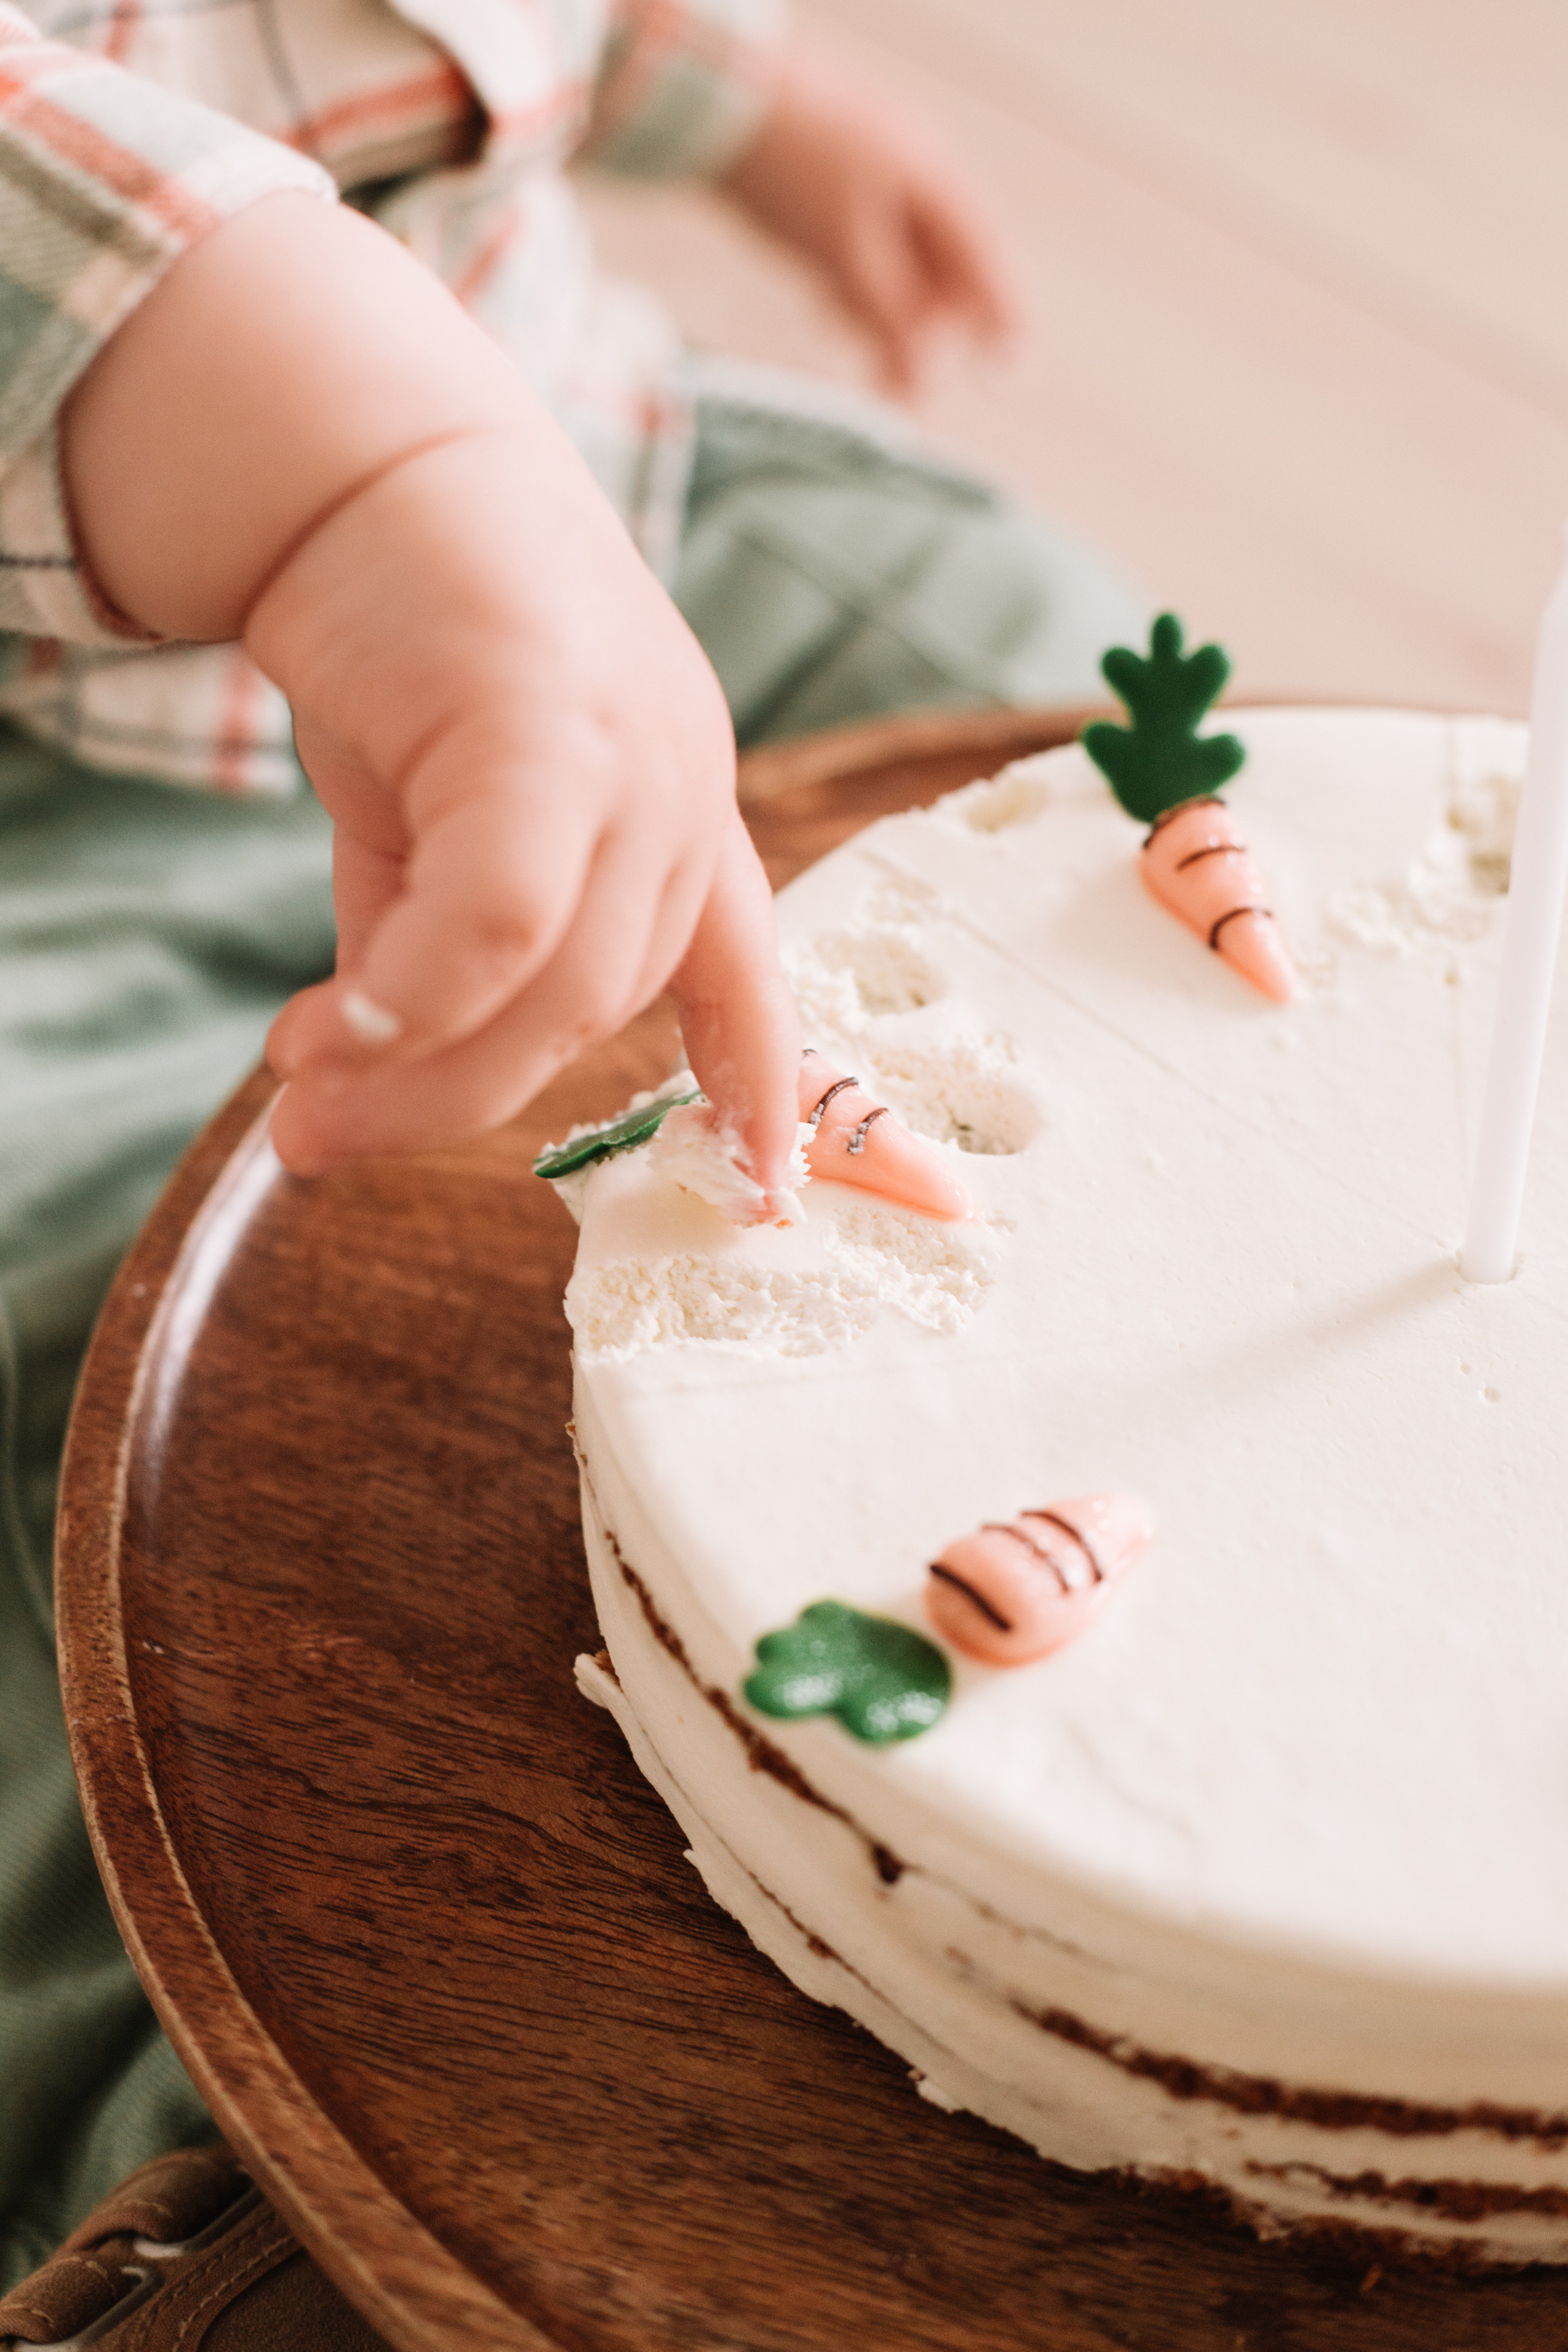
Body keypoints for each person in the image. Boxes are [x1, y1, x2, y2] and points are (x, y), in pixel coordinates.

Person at [0, 0, 1145, 2283]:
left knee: (1098, 724)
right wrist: (365, 493)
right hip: (71, 825)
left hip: (598, 495)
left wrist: (753, 107)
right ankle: (237, 2193)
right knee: (130, 1423)